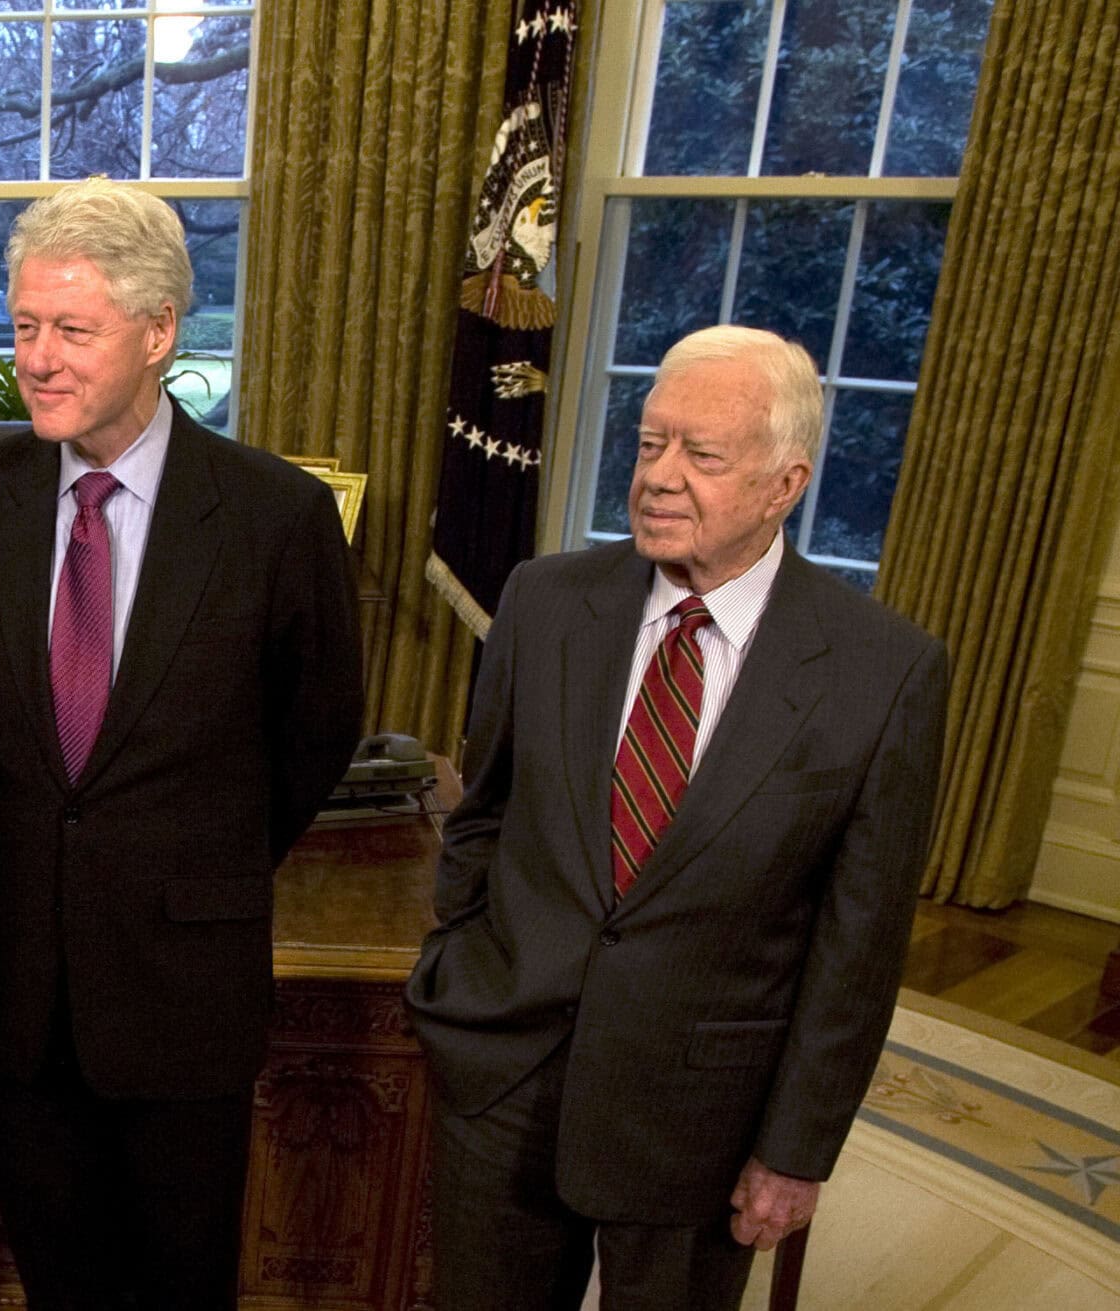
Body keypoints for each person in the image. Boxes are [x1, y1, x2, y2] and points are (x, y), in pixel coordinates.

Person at [404, 324, 951, 1310]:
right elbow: (481, 814)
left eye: (701, 456)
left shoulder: (883, 671)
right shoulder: (542, 600)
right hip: (505, 1073)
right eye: (650, 442)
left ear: (786, 483)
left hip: (701, 1112)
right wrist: (460, 974)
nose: (659, 476)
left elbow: (856, 946)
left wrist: (794, 1148)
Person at [0, 179, 363, 1310]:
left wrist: (190, 866)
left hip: (182, 989)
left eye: (73, 330)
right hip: (16, 989)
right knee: (57, 1282)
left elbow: (315, 735)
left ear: (160, 331)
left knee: (179, 1283)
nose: (37, 358)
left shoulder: (275, 518)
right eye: (23, 327)